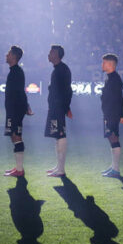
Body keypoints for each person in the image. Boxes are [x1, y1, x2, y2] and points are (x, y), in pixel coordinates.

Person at [4, 46, 33, 177]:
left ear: (14, 56)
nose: (6, 55)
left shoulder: (16, 72)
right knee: (15, 136)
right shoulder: (15, 71)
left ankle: (19, 170)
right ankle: (19, 168)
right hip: (15, 109)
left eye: (9, 53)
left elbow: (20, 92)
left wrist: (26, 106)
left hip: (15, 109)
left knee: (16, 136)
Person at [45, 45, 73, 177]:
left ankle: (61, 169)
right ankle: (58, 166)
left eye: (51, 52)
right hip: (56, 107)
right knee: (57, 135)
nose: (48, 54)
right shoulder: (58, 69)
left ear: (56, 54)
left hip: (58, 108)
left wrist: (65, 107)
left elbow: (67, 90)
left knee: (60, 134)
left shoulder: (62, 70)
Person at [100, 53, 123, 178]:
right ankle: (113, 167)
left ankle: (116, 169)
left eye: (104, 62)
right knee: (111, 138)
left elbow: (119, 98)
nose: (102, 65)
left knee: (114, 137)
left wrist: (121, 114)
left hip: (112, 114)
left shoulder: (115, 79)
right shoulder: (109, 77)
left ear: (110, 64)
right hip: (108, 113)